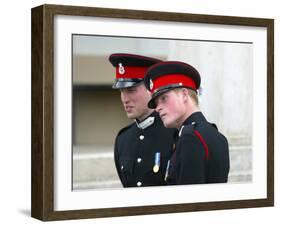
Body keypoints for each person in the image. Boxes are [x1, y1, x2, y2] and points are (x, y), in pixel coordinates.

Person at [143, 61, 230, 185]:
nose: (157, 108)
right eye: (156, 103)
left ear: (184, 95)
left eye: (164, 98)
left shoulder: (190, 137)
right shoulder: (216, 135)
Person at [109, 53, 176, 187]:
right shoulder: (123, 139)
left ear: (151, 89)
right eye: (122, 91)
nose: (124, 99)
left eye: (131, 90)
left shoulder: (174, 132)